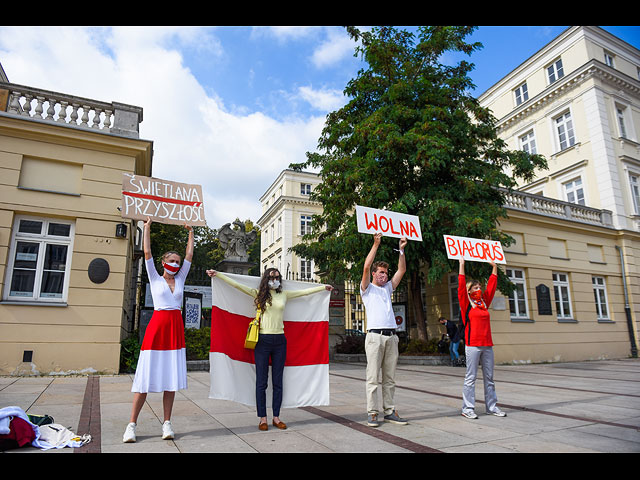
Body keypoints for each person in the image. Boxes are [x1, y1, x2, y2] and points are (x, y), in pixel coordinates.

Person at [207, 267, 332, 431]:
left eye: (278, 277)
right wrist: (219, 275)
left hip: (280, 340)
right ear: (266, 279)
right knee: (261, 382)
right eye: (272, 277)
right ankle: (262, 418)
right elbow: (237, 286)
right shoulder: (258, 294)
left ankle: (276, 417)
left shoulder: (284, 295)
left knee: (278, 382)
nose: (275, 280)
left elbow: (304, 293)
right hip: (262, 340)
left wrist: (323, 288)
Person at [123, 217, 194, 443]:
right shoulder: (154, 277)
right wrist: (146, 228)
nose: (176, 263)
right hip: (157, 329)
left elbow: (190, 255)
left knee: (170, 380)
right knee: (144, 380)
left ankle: (167, 423)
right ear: (164, 261)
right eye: (172, 260)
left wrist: (191, 232)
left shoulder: (181, 277)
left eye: (178, 261)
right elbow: (146, 253)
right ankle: (131, 425)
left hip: (175, 330)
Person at [361, 233, 408, 428]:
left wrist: (402, 250)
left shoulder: (388, 288)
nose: (384, 275)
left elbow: (402, 270)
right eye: (380, 272)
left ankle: (389, 411)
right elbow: (365, 266)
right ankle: (372, 412)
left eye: (385, 273)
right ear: (373, 274)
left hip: (391, 337)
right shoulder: (367, 289)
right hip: (374, 337)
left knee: (389, 378)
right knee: (373, 377)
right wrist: (375, 244)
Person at [458, 258, 506, 419]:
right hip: (473, 345)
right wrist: (462, 265)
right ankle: (467, 408)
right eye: (475, 288)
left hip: (487, 345)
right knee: (470, 377)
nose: (479, 289)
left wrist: (494, 267)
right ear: (470, 291)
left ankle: (491, 407)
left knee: (489, 378)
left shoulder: (484, 302)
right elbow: (460, 287)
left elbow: (492, 286)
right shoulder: (466, 303)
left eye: (480, 287)